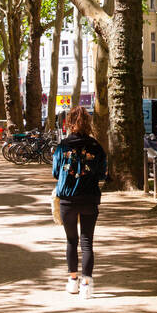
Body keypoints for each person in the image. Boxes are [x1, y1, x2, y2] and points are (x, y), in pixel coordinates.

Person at [51, 106, 108, 300]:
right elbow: (102, 174)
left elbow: (56, 172)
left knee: (71, 240)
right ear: (89, 123)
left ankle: (72, 281)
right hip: (89, 197)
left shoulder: (63, 146)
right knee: (87, 242)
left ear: (70, 123)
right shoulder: (96, 147)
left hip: (67, 198)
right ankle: (87, 284)